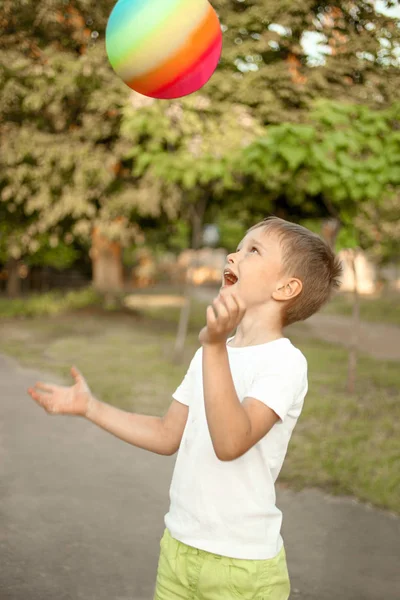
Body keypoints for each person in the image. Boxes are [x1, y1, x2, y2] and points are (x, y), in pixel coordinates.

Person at [28, 216, 343, 600]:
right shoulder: (209, 354)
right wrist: (90, 407)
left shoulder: (284, 363)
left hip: (241, 568)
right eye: (238, 247)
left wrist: (212, 347)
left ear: (286, 287)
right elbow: (166, 434)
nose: (233, 255)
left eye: (253, 250)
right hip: (178, 548)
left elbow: (231, 442)